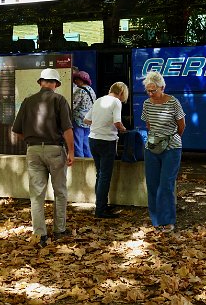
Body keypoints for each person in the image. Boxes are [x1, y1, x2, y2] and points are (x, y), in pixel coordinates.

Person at [12, 68, 75, 246]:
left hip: (33, 151)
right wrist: (71, 151)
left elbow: (17, 131)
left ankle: (40, 235)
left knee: (37, 195)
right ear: (56, 84)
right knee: (60, 192)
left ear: (40, 82)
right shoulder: (59, 100)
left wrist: (32, 141)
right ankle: (59, 230)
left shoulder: (27, 101)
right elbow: (67, 129)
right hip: (55, 149)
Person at [141, 71, 186, 232]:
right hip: (152, 147)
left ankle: (167, 220)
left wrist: (170, 138)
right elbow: (148, 125)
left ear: (162, 87)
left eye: (153, 90)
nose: (150, 93)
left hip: (172, 147)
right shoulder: (147, 103)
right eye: (148, 91)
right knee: (152, 184)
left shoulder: (173, 102)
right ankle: (156, 220)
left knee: (166, 184)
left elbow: (181, 125)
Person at [84, 82, 129, 219]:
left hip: (93, 140)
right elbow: (117, 122)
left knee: (100, 174)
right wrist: (124, 130)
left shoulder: (99, 100)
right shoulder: (116, 102)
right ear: (121, 92)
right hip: (107, 141)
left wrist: (99, 124)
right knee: (105, 176)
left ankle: (100, 204)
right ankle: (100, 210)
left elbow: (86, 120)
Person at [72, 70, 96, 158]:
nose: (75, 81)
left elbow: (73, 105)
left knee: (77, 143)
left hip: (78, 120)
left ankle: (80, 161)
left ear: (82, 80)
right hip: (88, 121)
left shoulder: (79, 91)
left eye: (76, 79)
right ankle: (89, 161)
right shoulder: (91, 90)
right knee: (86, 144)